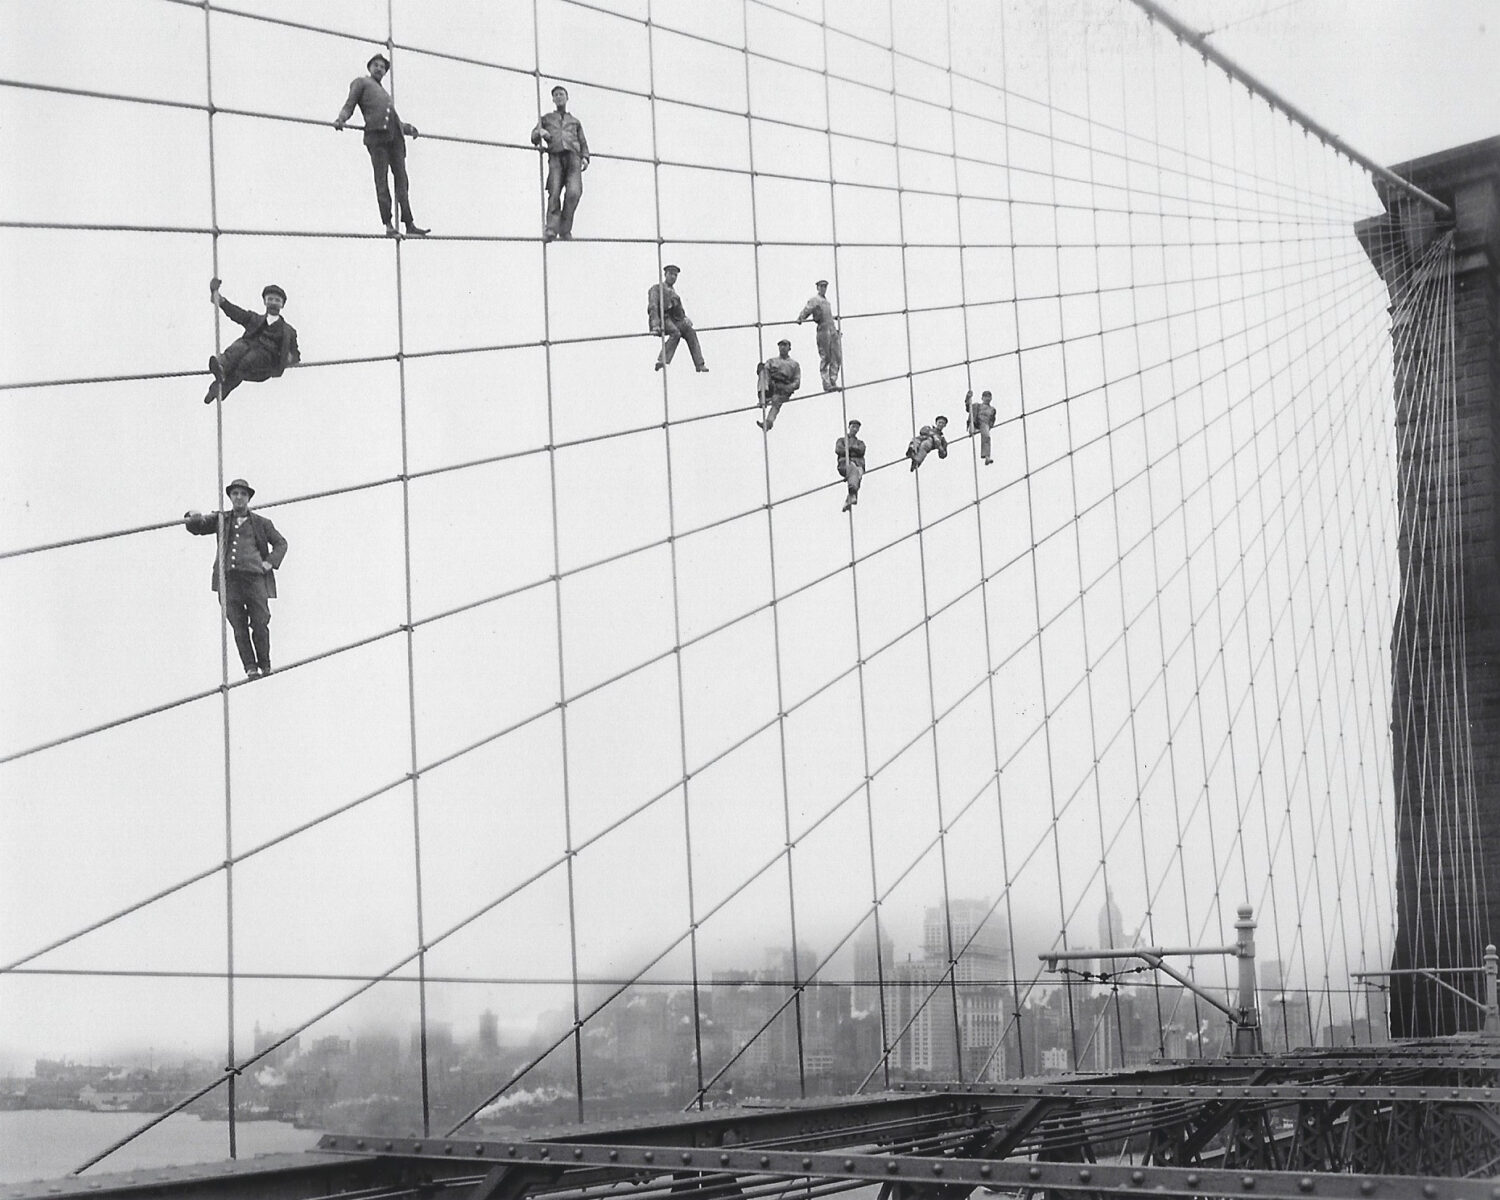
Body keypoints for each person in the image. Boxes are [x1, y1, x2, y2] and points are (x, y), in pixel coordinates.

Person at [185, 479, 288, 680]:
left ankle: (265, 664)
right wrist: (191, 517)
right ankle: (250, 667)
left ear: (248, 498)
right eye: (235, 494)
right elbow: (199, 527)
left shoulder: (261, 523)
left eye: (242, 494)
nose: (239, 497)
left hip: (254, 579)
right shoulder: (222, 519)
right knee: (238, 624)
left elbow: (281, 543)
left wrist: (269, 562)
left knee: (260, 621)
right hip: (230, 581)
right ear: (231, 497)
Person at [333, 53, 429, 237]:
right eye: (376, 65)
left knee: (402, 181)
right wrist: (341, 119)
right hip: (377, 137)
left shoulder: (385, 93)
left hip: (395, 138)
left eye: (383, 67)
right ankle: (388, 224)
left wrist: (408, 128)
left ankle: (409, 223)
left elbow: (393, 119)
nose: (379, 69)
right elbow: (349, 104)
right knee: (381, 179)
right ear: (369, 67)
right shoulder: (361, 83)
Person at [204, 278, 300, 404]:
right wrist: (220, 300)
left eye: (277, 300)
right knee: (238, 347)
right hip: (247, 348)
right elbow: (237, 313)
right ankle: (221, 368)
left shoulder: (288, 331)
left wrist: (289, 357)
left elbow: (296, 355)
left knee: (247, 360)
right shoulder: (255, 319)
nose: (273, 302)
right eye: (270, 299)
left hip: (264, 359)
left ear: (282, 304)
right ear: (265, 302)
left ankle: (221, 388)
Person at [531, 85, 589, 241]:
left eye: (561, 94)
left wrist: (585, 157)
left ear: (567, 97)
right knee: (554, 191)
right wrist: (540, 133)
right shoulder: (547, 118)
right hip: (556, 156)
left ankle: (565, 228)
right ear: (553, 99)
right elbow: (533, 136)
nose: (559, 97)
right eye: (555, 95)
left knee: (574, 193)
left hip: (573, 158)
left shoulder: (574, 121)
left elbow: (583, 141)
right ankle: (551, 229)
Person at [648, 264, 708, 372]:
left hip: (675, 320)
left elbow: (679, 312)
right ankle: (662, 359)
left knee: (690, 331)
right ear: (665, 274)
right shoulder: (656, 289)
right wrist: (655, 325)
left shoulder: (675, 294)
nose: (673, 277)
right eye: (671, 274)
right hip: (663, 319)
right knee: (676, 333)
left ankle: (699, 364)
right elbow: (653, 307)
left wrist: (685, 319)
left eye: (675, 275)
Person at [797, 279, 842, 392]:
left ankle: (833, 380)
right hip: (823, 329)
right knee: (826, 357)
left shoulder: (826, 302)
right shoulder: (815, 300)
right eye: (821, 286)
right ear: (817, 287)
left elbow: (829, 317)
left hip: (831, 329)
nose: (823, 288)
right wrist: (801, 318)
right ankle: (826, 383)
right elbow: (807, 309)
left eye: (825, 286)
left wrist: (835, 331)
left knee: (836, 356)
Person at [757, 340, 801, 431]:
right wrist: (761, 368)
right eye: (780, 345)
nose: (782, 347)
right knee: (763, 370)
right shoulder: (772, 361)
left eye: (785, 345)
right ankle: (763, 396)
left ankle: (768, 422)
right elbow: (764, 372)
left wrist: (787, 388)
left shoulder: (794, 364)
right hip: (772, 385)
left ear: (789, 348)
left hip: (783, 388)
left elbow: (797, 382)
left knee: (776, 401)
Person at [835, 419, 865, 512]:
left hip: (858, 465)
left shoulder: (860, 442)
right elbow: (839, 450)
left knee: (858, 475)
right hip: (845, 464)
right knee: (853, 469)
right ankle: (852, 495)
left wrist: (849, 448)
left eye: (857, 428)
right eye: (853, 427)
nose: (855, 429)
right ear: (849, 427)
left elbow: (861, 451)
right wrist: (851, 449)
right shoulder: (842, 440)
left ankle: (849, 499)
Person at [965, 388, 996, 464]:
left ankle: (987, 456)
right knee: (980, 431)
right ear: (982, 398)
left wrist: (989, 427)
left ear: (991, 398)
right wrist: (968, 397)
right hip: (975, 422)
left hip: (984, 424)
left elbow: (992, 420)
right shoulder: (977, 405)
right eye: (985, 397)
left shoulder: (992, 409)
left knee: (987, 436)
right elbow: (968, 408)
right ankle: (972, 430)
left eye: (989, 397)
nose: (987, 398)